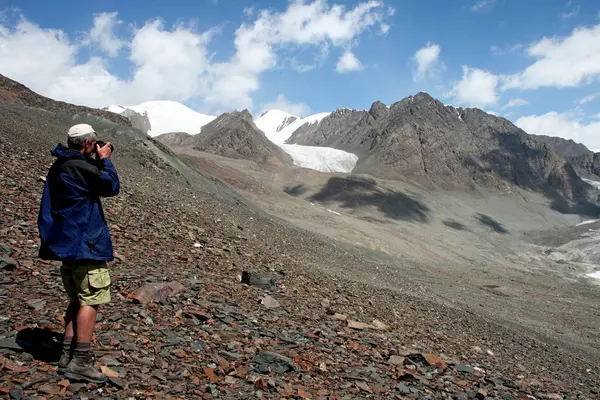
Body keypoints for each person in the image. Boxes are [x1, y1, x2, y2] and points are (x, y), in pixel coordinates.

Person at [37, 123, 119, 383]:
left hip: (69, 245)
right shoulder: (81, 167)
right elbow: (110, 186)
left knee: (76, 299)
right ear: (86, 144)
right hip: (87, 245)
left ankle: (66, 355)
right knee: (90, 300)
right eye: (93, 143)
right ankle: (81, 362)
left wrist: (94, 161)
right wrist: (105, 161)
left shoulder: (61, 165)